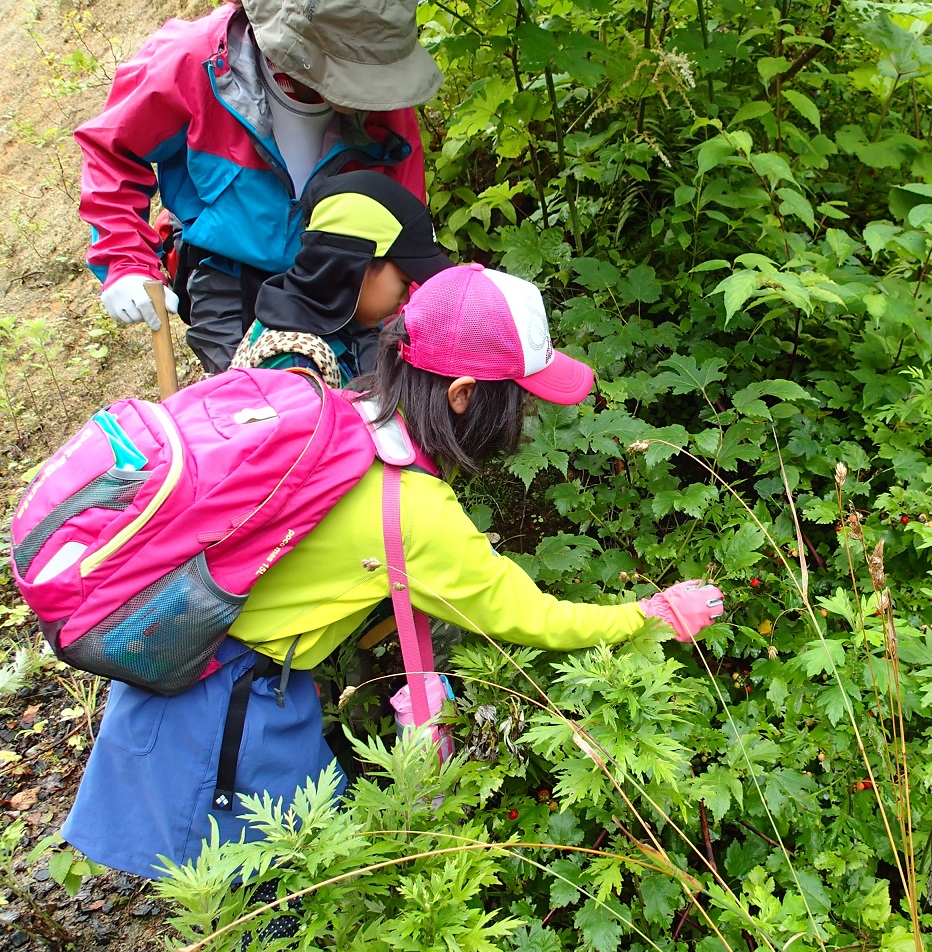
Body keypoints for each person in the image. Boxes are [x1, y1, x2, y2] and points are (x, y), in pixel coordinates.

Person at [61, 264, 726, 879]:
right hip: (224, 712)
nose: (521, 422)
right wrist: (651, 614)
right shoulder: (414, 509)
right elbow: (536, 618)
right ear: (464, 394)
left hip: (202, 664)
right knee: (282, 900)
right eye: (518, 402)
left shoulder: (352, 412)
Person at [77, 0, 442, 373]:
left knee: (362, 407)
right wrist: (125, 260)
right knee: (262, 412)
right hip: (228, 274)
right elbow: (113, 149)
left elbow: (405, 226)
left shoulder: (384, 101)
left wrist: (420, 324)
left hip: (345, 277)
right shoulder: (194, 64)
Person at [231, 170, 454, 387]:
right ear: (356, 265)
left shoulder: (336, 322)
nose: (406, 297)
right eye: (404, 283)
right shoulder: (294, 364)